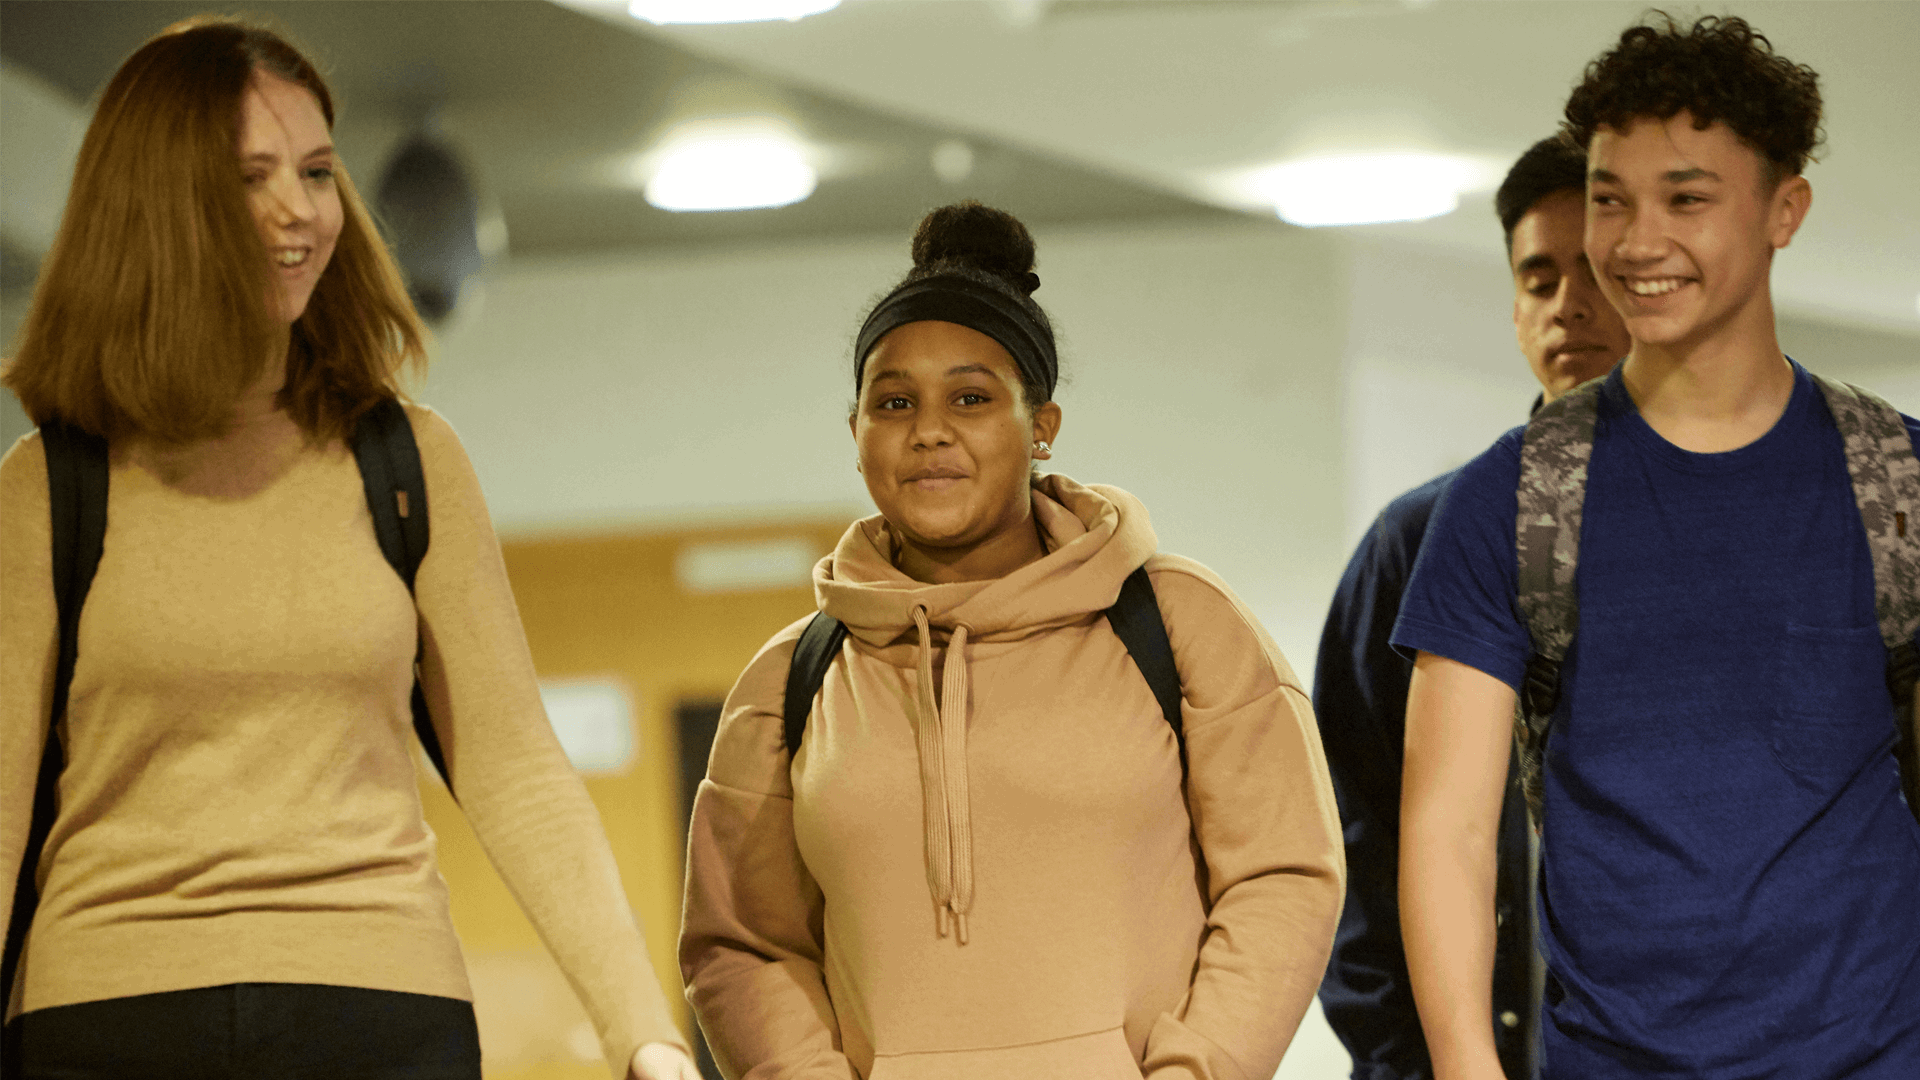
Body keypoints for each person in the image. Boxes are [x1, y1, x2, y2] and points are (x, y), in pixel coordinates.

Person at [0, 19, 697, 1080]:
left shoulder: (408, 462)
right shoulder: (53, 483)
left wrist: (642, 1032)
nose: (300, 211)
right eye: (252, 176)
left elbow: (512, 766)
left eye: (319, 172)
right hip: (109, 1017)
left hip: (378, 1015)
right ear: (160, 204)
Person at [677, 201, 1344, 1079]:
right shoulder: (792, 679)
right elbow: (743, 943)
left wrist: (1197, 1071)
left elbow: (1282, 877)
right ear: (857, 435)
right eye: (894, 401)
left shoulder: (1177, 624)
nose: (930, 430)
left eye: (970, 397)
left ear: (1041, 426)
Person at [1396, 14, 1920, 1079]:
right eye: (1609, 198)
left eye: (1686, 198)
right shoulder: (1512, 497)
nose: (1636, 242)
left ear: (1786, 210)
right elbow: (1445, 834)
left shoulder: (1897, 481)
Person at [1312, 135, 1630, 1080]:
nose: (1568, 304)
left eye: (1597, 273)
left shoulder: (1757, 519)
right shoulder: (1421, 542)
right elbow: (1347, 835)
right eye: (1539, 278)